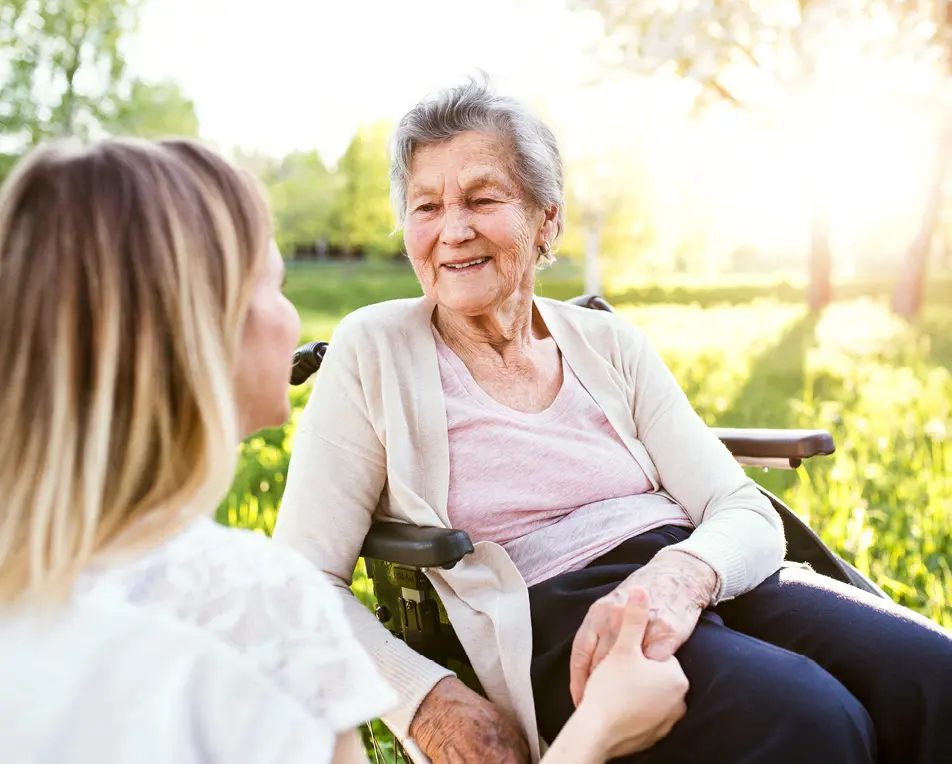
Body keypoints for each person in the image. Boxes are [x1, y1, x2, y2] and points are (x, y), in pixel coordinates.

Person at [274, 76, 952, 764]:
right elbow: (299, 581)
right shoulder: (375, 348)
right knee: (810, 720)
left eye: (483, 199)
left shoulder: (609, 343)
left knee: (935, 677)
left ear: (548, 221)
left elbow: (740, 508)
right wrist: (424, 701)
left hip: (693, 567)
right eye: (426, 206)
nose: (454, 230)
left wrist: (679, 578)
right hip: (558, 618)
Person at [0, 137, 688, 764]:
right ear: (200, 332)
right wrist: (600, 732)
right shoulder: (260, 606)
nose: (294, 321)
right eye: (274, 284)